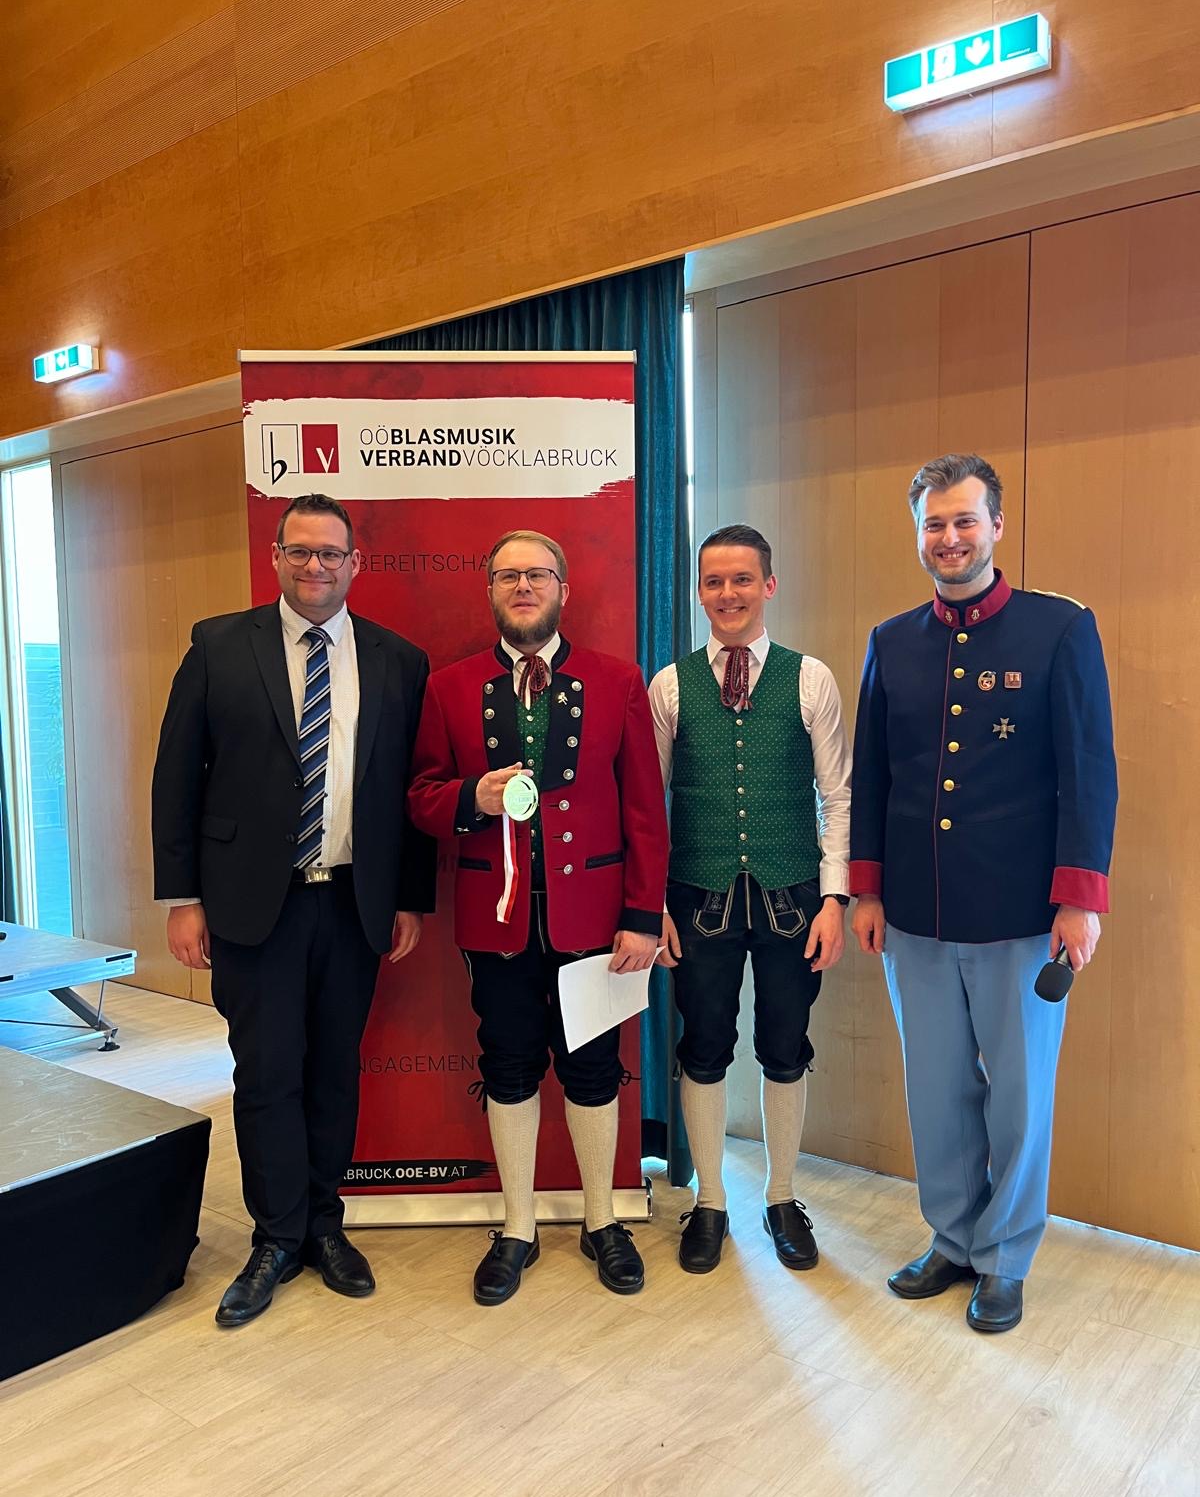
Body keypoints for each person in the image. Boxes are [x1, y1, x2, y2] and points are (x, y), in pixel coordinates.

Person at [152, 492, 435, 1327]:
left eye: (330, 553)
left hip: (353, 903)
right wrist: (182, 899)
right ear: (276, 557)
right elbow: (177, 777)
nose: (316, 566)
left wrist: (409, 898)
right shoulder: (217, 646)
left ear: (355, 564)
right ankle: (274, 1238)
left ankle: (323, 1226)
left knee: (333, 1072)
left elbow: (408, 790)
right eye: (301, 551)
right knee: (267, 1075)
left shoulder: (398, 661)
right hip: (250, 906)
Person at [850, 453, 1117, 1333]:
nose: (950, 538)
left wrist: (1079, 899)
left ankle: (1005, 1258)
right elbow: (874, 775)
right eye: (934, 524)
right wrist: (866, 890)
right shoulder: (891, 641)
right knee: (936, 1093)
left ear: (997, 525)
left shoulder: (1059, 628)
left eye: (965, 520)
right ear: (918, 534)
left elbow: (1088, 771)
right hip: (917, 913)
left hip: (1020, 914)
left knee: (1019, 1097)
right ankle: (954, 1239)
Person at [408, 530, 668, 1306]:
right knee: (509, 1066)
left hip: (598, 921)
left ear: (563, 589)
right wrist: (471, 797)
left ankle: (601, 1220)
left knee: (594, 1069)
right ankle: (517, 1227)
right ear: (489, 590)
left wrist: (643, 915)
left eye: (538, 574)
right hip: (498, 922)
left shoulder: (618, 680)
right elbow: (420, 796)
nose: (524, 586)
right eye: (508, 575)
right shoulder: (448, 687)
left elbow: (644, 809)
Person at [650, 524, 851, 1274]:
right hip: (695, 897)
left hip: (793, 897)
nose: (727, 593)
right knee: (703, 1046)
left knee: (785, 1045)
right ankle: (709, 1203)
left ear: (768, 585)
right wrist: (651, 904)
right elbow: (648, 806)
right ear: (699, 593)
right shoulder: (670, 685)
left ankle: (782, 1197)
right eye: (714, 581)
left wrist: (835, 899)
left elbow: (838, 795)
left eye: (741, 579)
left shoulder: (811, 679)